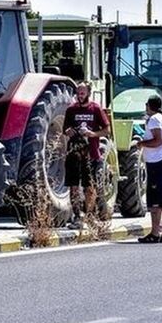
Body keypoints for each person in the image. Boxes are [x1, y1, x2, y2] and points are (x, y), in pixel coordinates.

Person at [63, 82, 110, 226]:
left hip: (91, 153)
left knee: (89, 186)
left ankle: (90, 215)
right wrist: (68, 131)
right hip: (74, 153)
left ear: (88, 93)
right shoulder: (71, 110)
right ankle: (77, 216)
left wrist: (92, 134)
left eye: (83, 92)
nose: (80, 95)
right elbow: (65, 127)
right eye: (78, 92)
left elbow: (107, 130)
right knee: (73, 186)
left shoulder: (95, 109)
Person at [137, 94, 162, 242]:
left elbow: (157, 141)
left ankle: (155, 232)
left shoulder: (154, 119)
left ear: (149, 105)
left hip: (156, 162)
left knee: (155, 200)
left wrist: (142, 143)